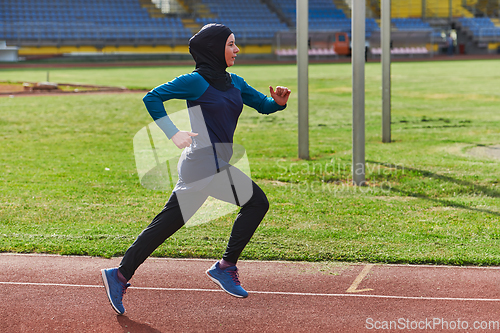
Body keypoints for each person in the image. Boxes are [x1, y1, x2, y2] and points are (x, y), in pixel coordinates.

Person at [101, 23, 291, 315]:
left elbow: (263, 105)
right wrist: (173, 133)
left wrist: (277, 103)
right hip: (202, 162)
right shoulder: (195, 81)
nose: (236, 49)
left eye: (235, 44)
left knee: (165, 225)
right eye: (230, 44)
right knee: (256, 202)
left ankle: (120, 274)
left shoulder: (235, 82)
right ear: (214, 49)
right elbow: (152, 97)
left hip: (212, 162)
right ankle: (225, 267)